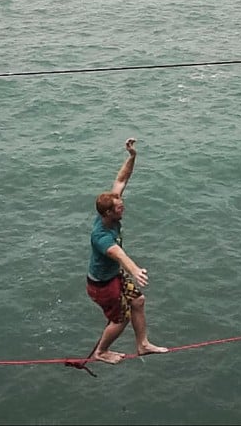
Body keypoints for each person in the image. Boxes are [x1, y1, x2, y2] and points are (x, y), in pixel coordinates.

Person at [86, 138, 168, 364]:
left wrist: (132, 156)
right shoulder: (101, 237)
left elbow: (121, 179)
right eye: (119, 208)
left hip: (113, 277)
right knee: (121, 319)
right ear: (108, 214)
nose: (123, 207)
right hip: (101, 286)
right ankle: (100, 352)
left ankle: (142, 345)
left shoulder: (109, 207)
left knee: (138, 301)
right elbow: (118, 255)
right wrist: (135, 270)